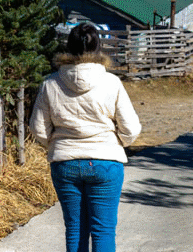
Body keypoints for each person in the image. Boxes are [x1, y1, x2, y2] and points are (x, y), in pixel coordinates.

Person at [30, 23, 141, 252]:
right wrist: (117, 144)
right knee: (103, 231)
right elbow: (130, 129)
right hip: (106, 163)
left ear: (68, 48)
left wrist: (57, 144)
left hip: (65, 163)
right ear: (98, 47)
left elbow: (38, 129)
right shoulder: (112, 83)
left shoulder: (50, 83)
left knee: (75, 230)